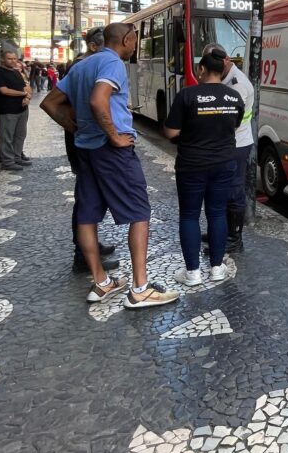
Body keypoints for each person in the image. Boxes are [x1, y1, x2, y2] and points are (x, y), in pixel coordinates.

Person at [41, 22, 179, 309]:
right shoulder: (113, 63)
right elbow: (98, 100)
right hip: (112, 152)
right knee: (140, 212)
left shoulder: (82, 65)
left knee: (86, 216)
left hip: (86, 151)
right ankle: (140, 289)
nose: (135, 46)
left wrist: (76, 129)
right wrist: (114, 136)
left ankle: (102, 282)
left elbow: (50, 103)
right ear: (126, 39)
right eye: (135, 41)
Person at [163, 50, 244, 285]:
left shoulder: (187, 95)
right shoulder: (234, 97)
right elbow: (234, 126)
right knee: (217, 213)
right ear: (222, 70)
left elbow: (171, 132)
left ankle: (192, 273)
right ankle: (217, 268)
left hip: (192, 165)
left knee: (189, 215)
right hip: (224, 164)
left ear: (201, 69)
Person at [63, 28, 118, 273]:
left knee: (90, 197)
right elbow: (60, 104)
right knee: (87, 199)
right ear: (94, 47)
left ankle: (89, 247)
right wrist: (79, 128)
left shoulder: (84, 65)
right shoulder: (84, 66)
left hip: (85, 141)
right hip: (90, 143)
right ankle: (83, 255)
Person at [203, 44, 255, 250]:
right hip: (226, 143)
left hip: (237, 144)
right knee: (222, 189)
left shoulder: (237, 84)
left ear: (226, 60)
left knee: (233, 190)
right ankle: (220, 231)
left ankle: (234, 239)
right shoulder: (223, 78)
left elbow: (229, 120)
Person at [0, 49, 31, 171]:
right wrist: (23, 94)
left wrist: (27, 97)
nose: (13, 61)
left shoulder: (17, 72)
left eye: (14, 59)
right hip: (7, 109)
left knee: (20, 135)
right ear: (2, 59)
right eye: (9, 59)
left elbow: (26, 87)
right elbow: (4, 90)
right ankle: (7, 161)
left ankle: (17, 157)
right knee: (6, 136)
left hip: (22, 108)